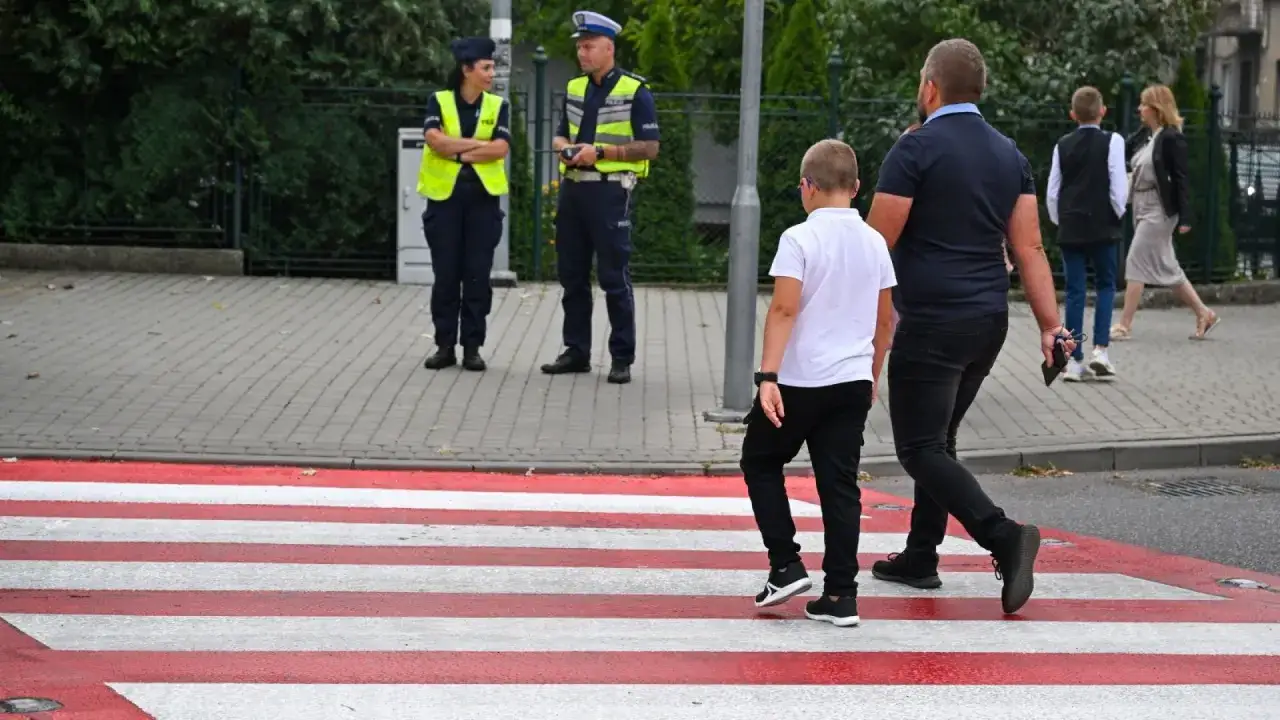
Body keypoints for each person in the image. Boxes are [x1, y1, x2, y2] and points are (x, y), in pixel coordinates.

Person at [864, 38, 1074, 615]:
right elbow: (1029, 247)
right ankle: (921, 556)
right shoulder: (1010, 155)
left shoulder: (916, 149)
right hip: (988, 322)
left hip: (931, 320)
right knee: (941, 439)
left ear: (930, 87)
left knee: (918, 447)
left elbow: (876, 242)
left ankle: (1002, 535)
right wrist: (1050, 327)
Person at [739, 139, 897, 628]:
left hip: (800, 381)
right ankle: (841, 596)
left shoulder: (798, 238)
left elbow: (785, 308)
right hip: (851, 380)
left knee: (760, 459)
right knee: (839, 485)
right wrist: (870, 375)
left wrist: (768, 375)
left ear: (807, 187)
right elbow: (885, 321)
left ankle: (785, 564)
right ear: (856, 188)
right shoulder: (875, 242)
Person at [539, 10, 661, 385]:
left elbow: (650, 147)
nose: (582, 53)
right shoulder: (575, 88)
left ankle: (621, 357)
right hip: (573, 190)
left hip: (610, 193)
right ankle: (576, 351)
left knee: (613, 277)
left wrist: (602, 154)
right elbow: (560, 133)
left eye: (589, 46)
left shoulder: (635, 91)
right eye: (579, 46)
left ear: (609, 48)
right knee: (572, 276)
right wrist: (565, 148)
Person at [417, 37, 512, 372]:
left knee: (476, 276)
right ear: (466, 69)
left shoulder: (497, 106)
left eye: (492, 67)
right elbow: (434, 141)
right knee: (446, 275)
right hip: (445, 201)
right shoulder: (438, 101)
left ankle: (472, 347)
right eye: (486, 68)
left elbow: (500, 149)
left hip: (483, 201)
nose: (491, 73)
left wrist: (454, 148)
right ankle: (444, 345)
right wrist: (473, 147)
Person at [1110, 84, 1219, 342]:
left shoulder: (1171, 137)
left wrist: (1185, 215)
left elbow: (1181, 178)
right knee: (1168, 267)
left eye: (1144, 104)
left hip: (1159, 210)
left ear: (1156, 108)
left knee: (1135, 260)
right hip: (1141, 205)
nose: (1139, 109)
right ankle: (1204, 313)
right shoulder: (1151, 136)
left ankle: (1125, 324)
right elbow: (1124, 155)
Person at [1045, 86, 1128, 381]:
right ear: (1102, 111)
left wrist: (1060, 220)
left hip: (1071, 225)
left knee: (1075, 291)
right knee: (1105, 285)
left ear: (1072, 115)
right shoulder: (1113, 141)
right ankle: (1100, 351)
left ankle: (1072, 360)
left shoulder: (1062, 144)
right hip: (1102, 224)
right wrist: (1116, 213)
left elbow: (1053, 191)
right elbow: (1118, 184)